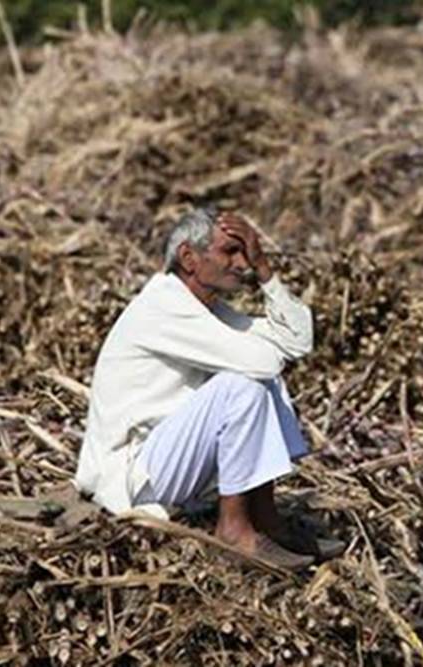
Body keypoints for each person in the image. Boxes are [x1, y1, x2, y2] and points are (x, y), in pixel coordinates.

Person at [75, 207, 339, 570]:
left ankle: (264, 517)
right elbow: (265, 361)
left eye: (245, 252)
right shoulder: (164, 306)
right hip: (134, 477)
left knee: (259, 376)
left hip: (168, 462)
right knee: (242, 384)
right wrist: (265, 352)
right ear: (188, 258)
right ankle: (233, 530)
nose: (241, 263)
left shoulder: (208, 310)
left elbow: (296, 342)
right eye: (230, 251)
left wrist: (266, 270)